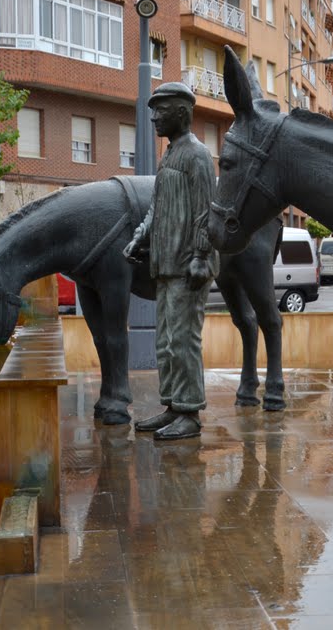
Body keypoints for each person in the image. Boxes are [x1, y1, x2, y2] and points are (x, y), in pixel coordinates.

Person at [123, 82, 219, 440]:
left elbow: (206, 212)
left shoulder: (197, 156)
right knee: (165, 342)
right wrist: (140, 235)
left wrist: (200, 255)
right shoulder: (170, 156)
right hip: (164, 264)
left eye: (160, 111)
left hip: (187, 266)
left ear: (182, 113)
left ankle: (190, 414)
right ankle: (174, 406)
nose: (153, 118)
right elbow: (156, 207)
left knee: (184, 341)